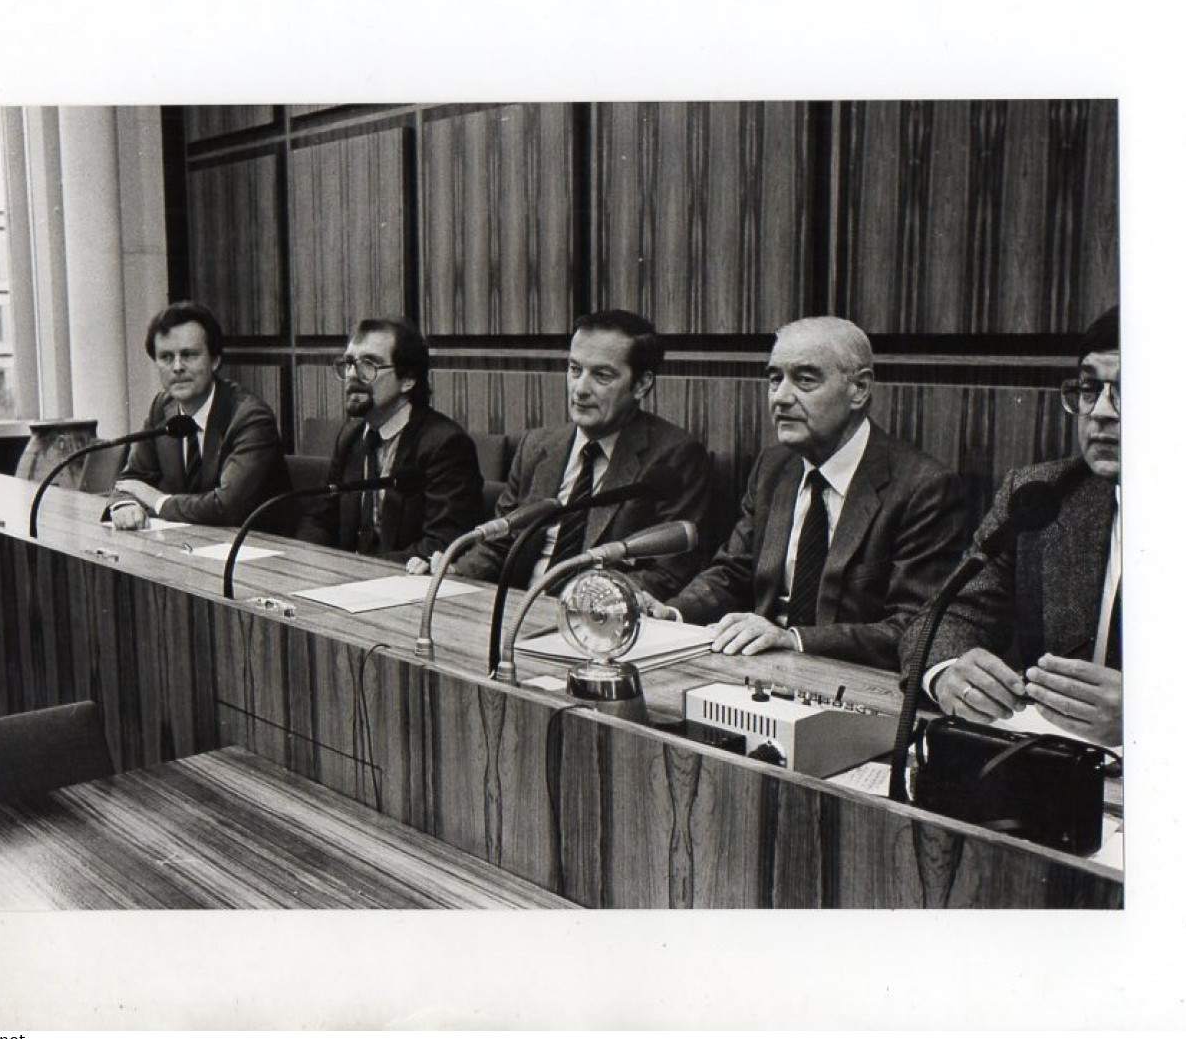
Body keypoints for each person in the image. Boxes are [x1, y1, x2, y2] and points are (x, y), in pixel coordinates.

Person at [644, 316, 966, 672]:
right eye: (774, 378)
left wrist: (794, 639)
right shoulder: (774, 466)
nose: (781, 397)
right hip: (757, 673)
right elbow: (733, 572)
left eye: (805, 379)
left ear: (859, 389)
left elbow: (914, 627)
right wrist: (673, 612)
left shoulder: (923, 487)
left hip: (850, 684)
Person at [904, 306, 1122, 747]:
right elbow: (942, 619)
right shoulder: (1042, 493)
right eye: (1090, 389)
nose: (1101, 412)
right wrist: (948, 673)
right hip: (1055, 771)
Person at [448, 309, 710, 600]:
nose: (580, 389)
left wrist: (581, 602)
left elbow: (667, 573)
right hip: (515, 609)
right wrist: (453, 575)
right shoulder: (536, 446)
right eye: (574, 370)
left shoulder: (675, 457)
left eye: (602, 375)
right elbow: (500, 544)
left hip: (594, 621)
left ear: (641, 384)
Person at [295, 317, 484, 564]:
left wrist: (359, 572)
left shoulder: (445, 445)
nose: (352, 375)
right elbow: (320, 519)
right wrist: (302, 559)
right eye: (349, 363)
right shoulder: (350, 437)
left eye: (369, 365)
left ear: (407, 379)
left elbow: (442, 542)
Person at [109, 301, 291, 529]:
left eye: (189, 355)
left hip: (256, 552)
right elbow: (131, 480)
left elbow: (227, 508)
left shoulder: (249, 417)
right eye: (166, 357)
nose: (177, 367)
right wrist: (124, 505)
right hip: (191, 546)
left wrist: (158, 501)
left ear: (215, 360)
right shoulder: (161, 407)